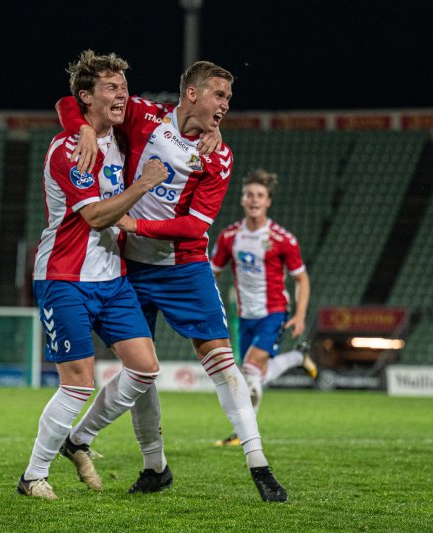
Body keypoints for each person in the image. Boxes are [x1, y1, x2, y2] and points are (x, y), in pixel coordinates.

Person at [57, 60, 288, 502]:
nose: (225, 105)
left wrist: (135, 226)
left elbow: (195, 227)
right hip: (129, 269)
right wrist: (83, 129)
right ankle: (154, 467)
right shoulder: (145, 116)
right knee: (139, 370)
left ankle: (259, 464)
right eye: (219, 96)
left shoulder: (219, 155)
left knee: (220, 359)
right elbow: (69, 101)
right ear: (193, 94)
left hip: (183, 268)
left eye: (229, 99)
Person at [17, 50, 170, 501]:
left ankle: (77, 439)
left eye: (124, 86)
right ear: (87, 97)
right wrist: (142, 184)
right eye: (111, 87)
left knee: (145, 369)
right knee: (78, 381)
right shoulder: (69, 149)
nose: (122, 94)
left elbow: (176, 116)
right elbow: (97, 219)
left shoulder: (114, 137)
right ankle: (33, 476)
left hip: (113, 277)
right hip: (65, 276)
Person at [209, 169, 317, 447]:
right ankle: (297, 359)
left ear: (268, 201)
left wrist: (300, 315)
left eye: (260, 195)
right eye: (249, 195)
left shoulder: (283, 239)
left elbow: (301, 279)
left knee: (250, 367)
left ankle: (244, 436)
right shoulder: (230, 237)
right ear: (242, 199)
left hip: (274, 312)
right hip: (245, 317)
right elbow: (213, 272)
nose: (254, 200)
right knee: (256, 374)